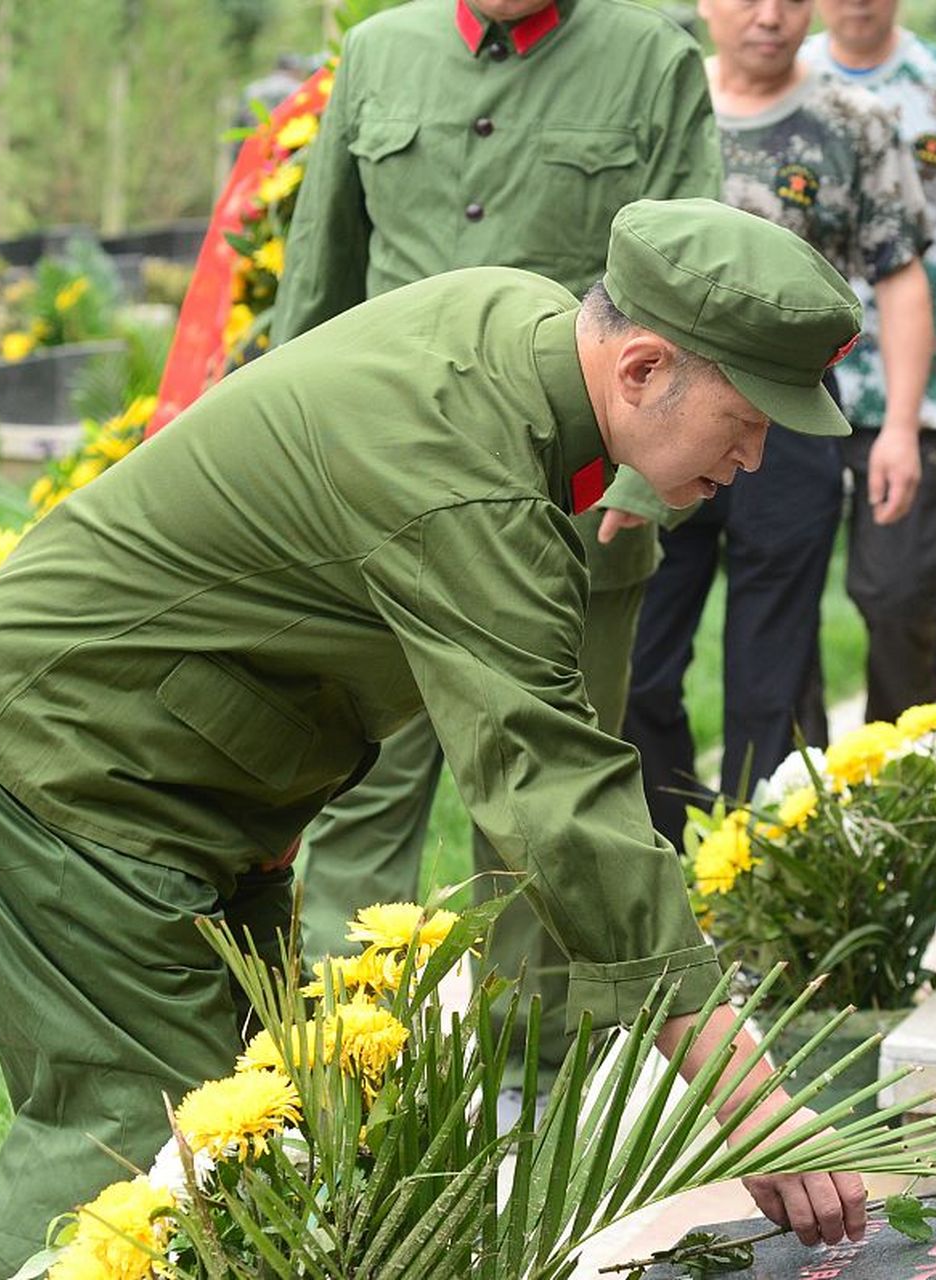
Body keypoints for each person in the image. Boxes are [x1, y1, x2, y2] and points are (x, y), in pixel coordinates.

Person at [0, 198, 876, 1278]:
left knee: (253, 1141)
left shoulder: (522, 327)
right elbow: (549, 787)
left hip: (191, 767)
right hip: (69, 752)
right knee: (135, 1147)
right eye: (745, 422)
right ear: (643, 369)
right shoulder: (466, 464)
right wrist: (744, 1092)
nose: (753, 458)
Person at [266, 0, 722, 1101]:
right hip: (375, 508)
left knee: (546, 813)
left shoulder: (653, 59)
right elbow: (317, 284)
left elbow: (694, 281)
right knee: (354, 793)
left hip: (572, 513)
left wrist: (639, 479)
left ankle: (534, 1086)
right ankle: (344, 1080)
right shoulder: (378, 54)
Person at [624, 0, 929, 846]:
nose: (769, 17)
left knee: (773, 675)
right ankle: (667, 863)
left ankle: (760, 878)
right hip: (660, 418)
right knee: (639, 668)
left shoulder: (851, 122)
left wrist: (898, 424)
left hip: (789, 425)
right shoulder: (662, 103)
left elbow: (900, 276)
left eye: (790, 0)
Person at [806, 0, 936, 722]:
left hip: (921, 386)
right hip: (796, 386)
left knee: (902, 596)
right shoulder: (789, 75)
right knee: (783, 594)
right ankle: (788, 788)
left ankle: (902, 770)